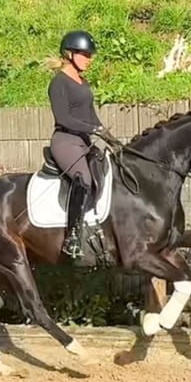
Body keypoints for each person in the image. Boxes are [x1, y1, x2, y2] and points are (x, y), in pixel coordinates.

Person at [47, 30, 115, 258]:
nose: (89, 58)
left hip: (84, 140)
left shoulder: (83, 83)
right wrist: (93, 129)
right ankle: (72, 236)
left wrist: (108, 136)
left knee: (107, 171)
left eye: (90, 55)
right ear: (70, 54)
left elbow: (90, 115)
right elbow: (64, 118)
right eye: (85, 54)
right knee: (84, 178)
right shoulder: (58, 83)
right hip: (66, 140)